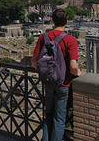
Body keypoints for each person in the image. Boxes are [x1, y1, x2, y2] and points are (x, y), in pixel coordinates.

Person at [31, 8, 81, 141]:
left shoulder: (44, 37)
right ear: (67, 22)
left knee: (48, 116)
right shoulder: (71, 40)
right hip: (63, 83)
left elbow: (34, 60)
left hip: (48, 81)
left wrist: (42, 71)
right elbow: (73, 66)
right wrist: (78, 73)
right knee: (59, 119)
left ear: (52, 21)